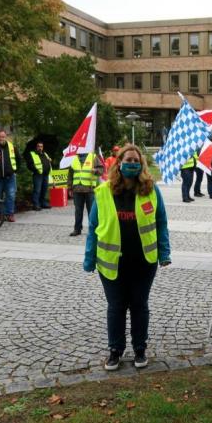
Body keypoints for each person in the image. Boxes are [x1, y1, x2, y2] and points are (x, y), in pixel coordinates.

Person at [84, 145, 171, 370]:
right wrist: (89, 258)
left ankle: (140, 349)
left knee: (140, 305)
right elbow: (93, 227)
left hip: (144, 261)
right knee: (116, 306)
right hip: (111, 262)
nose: (132, 164)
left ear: (141, 165)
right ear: (119, 163)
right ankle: (115, 350)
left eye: (136, 161)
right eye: (128, 160)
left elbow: (161, 222)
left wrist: (164, 252)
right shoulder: (103, 191)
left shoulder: (151, 190)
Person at [68, 150, 104, 236]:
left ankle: (93, 230)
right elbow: (70, 174)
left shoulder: (93, 157)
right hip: (77, 189)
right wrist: (69, 187)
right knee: (78, 211)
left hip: (89, 189)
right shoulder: (73, 158)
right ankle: (77, 229)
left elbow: (101, 170)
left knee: (91, 211)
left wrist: (95, 170)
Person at [0, 130, 21, 222]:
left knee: (11, 196)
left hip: (10, 177)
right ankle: (0, 214)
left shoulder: (12, 147)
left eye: (3, 137)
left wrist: (15, 171)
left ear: (6, 137)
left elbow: (19, 159)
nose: (1, 138)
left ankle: (10, 214)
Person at [26, 141, 52, 212]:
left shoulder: (45, 154)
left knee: (44, 189)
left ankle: (43, 202)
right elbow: (29, 165)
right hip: (38, 175)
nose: (40, 148)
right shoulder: (32, 154)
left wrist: (49, 161)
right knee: (37, 190)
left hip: (45, 174)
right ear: (36, 147)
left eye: (41, 146)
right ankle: (36, 204)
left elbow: (48, 162)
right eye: (38, 146)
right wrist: (36, 170)